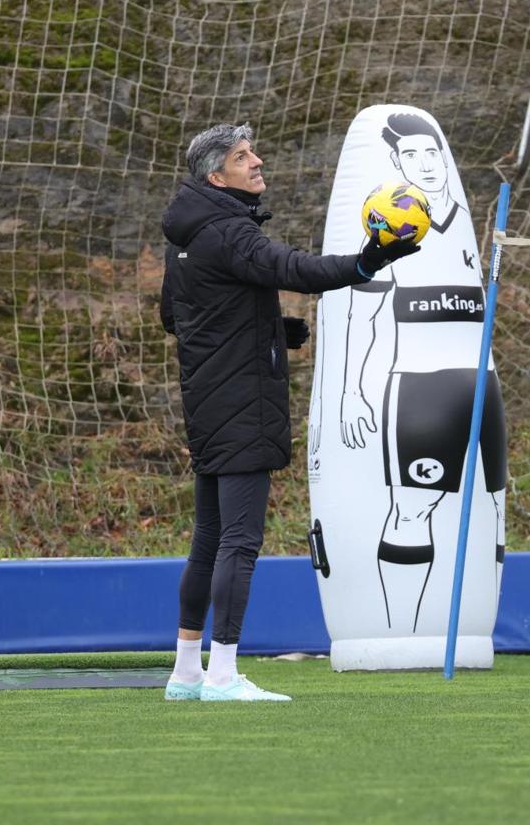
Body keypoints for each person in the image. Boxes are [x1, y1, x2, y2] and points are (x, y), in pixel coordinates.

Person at [159, 123, 417, 701]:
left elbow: (178, 318)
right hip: (243, 403)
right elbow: (296, 269)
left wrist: (271, 331)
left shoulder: (188, 233)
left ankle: (186, 672)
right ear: (215, 176)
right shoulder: (228, 231)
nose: (256, 161)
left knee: (209, 539)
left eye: (252, 152)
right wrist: (369, 260)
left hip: (207, 399)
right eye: (241, 156)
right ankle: (223, 674)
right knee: (239, 542)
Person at [339, 112, 506, 633]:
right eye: (411, 155)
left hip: (480, 385)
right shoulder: (387, 227)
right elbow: (361, 313)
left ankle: (473, 635)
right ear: (396, 164)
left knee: (493, 507)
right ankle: (399, 637)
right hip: (419, 388)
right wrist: (351, 393)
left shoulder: (462, 219)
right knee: (413, 509)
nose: (426, 163)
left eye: (431, 152)